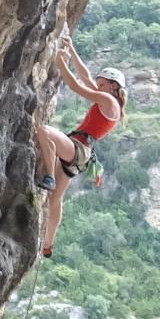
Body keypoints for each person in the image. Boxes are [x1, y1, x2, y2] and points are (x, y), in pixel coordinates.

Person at [31, 34, 124, 258]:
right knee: (55, 200)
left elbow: (76, 86)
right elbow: (85, 76)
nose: (98, 85)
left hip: (78, 148)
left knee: (44, 132)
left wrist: (59, 61)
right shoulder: (109, 100)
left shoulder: (109, 102)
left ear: (112, 86)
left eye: (102, 84)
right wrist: (71, 50)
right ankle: (47, 245)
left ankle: (49, 177)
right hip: (82, 154)